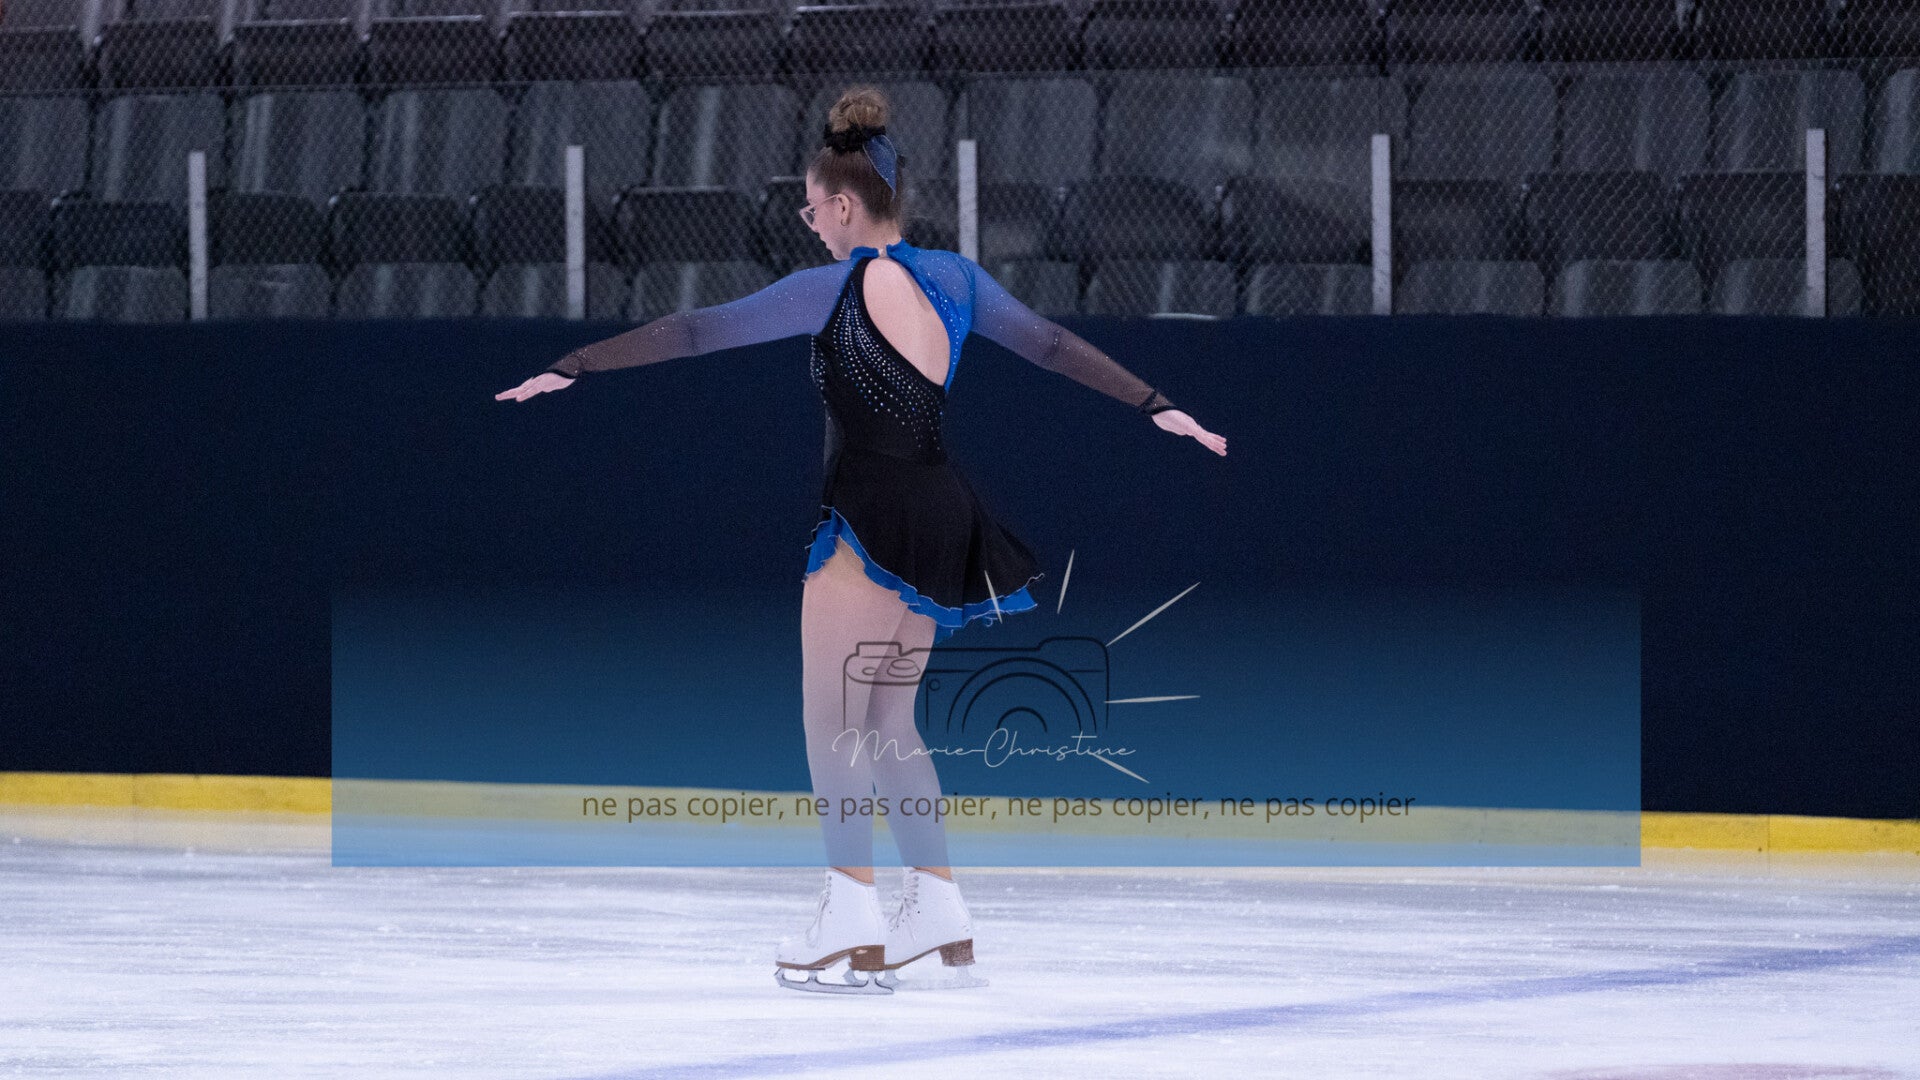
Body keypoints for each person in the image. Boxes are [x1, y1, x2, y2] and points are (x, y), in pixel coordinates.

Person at [496, 85, 1226, 994]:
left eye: (812, 209)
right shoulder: (956, 279)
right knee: (887, 723)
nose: (811, 225)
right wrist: (1155, 404)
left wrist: (576, 365)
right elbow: (1047, 345)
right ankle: (938, 904)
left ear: (844, 206)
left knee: (832, 721)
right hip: (942, 506)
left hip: (872, 516)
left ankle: (850, 907)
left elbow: (694, 330)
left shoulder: (831, 288)